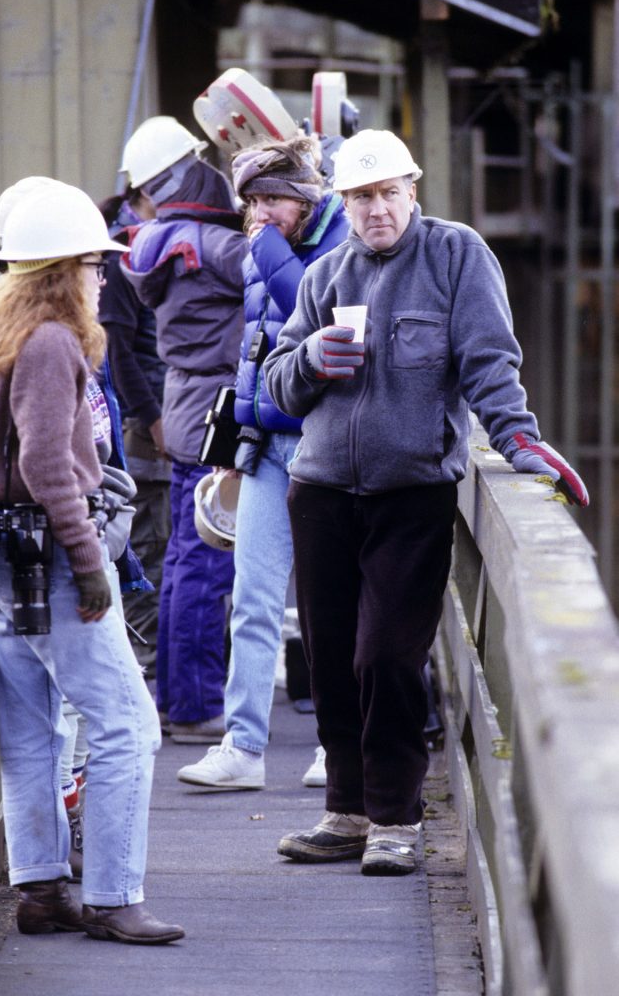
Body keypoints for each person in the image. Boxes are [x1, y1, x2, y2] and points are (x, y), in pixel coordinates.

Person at [263, 128, 589, 875]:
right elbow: (278, 380)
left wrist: (517, 440)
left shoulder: (455, 254)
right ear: (341, 204)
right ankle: (344, 811)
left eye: (386, 194)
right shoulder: (326, 273)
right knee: (331, 660)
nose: (375, 209)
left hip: (410, 491)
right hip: (318, 491)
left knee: (387, 656)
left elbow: (487, 357)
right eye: (360, 198)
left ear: (412, 192)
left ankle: (395, 818)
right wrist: (311, 359)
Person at [0, 182, 184, 942]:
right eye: (93, 264)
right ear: (63, 271)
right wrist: (89, 567)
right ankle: (115, 899)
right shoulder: (52, 341)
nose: (103, 277)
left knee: (30, 729)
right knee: (126, 724)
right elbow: (50, 465)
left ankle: (43, 892)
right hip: (48, 558)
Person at [177, 135, 348, 790]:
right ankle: (241, 747)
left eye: (269, 200)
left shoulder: (340, 243)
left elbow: (321, 311)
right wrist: (235, 449)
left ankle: (335, 748)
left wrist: (271, 252)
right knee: (251, 598)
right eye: (250, 202)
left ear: (302, 196)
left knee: (327, 602)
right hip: (268, 445)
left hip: (328, 444)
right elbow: (250, 355)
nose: (257, 214)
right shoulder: (261, 248)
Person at [122, 116, 247, 743]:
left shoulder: (157, 241)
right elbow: (290, 278)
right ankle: (197, 708)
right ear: (187, 170)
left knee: (181, 557)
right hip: (218, 410)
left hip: (184, 403)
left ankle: (179, 701)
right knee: (207, 559)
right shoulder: (211, 244)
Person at [98, 178, 171, 676]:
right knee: (146, 543)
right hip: (141, 425)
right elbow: (118, 354)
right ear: (143, 193)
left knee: (154, 541)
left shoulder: (146, 245)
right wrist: (154, 417)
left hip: (147, 419)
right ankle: (145, 668)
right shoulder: (120, 256)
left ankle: (149, 668)